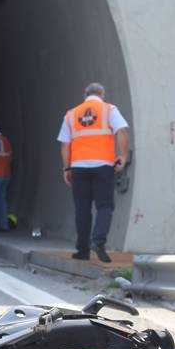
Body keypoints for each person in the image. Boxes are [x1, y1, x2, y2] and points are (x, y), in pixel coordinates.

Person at [58, 82, 130, 263]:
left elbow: (65, 145)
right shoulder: (108, 109)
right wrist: (122, 155)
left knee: (82, 208)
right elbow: (121, 131)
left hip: (78, 167)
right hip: (103, 166)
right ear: (102, 95)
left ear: (85, 95)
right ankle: (98, 241)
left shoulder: (71, 114)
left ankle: (82, 250)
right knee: (104, 206)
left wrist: (67, 167)